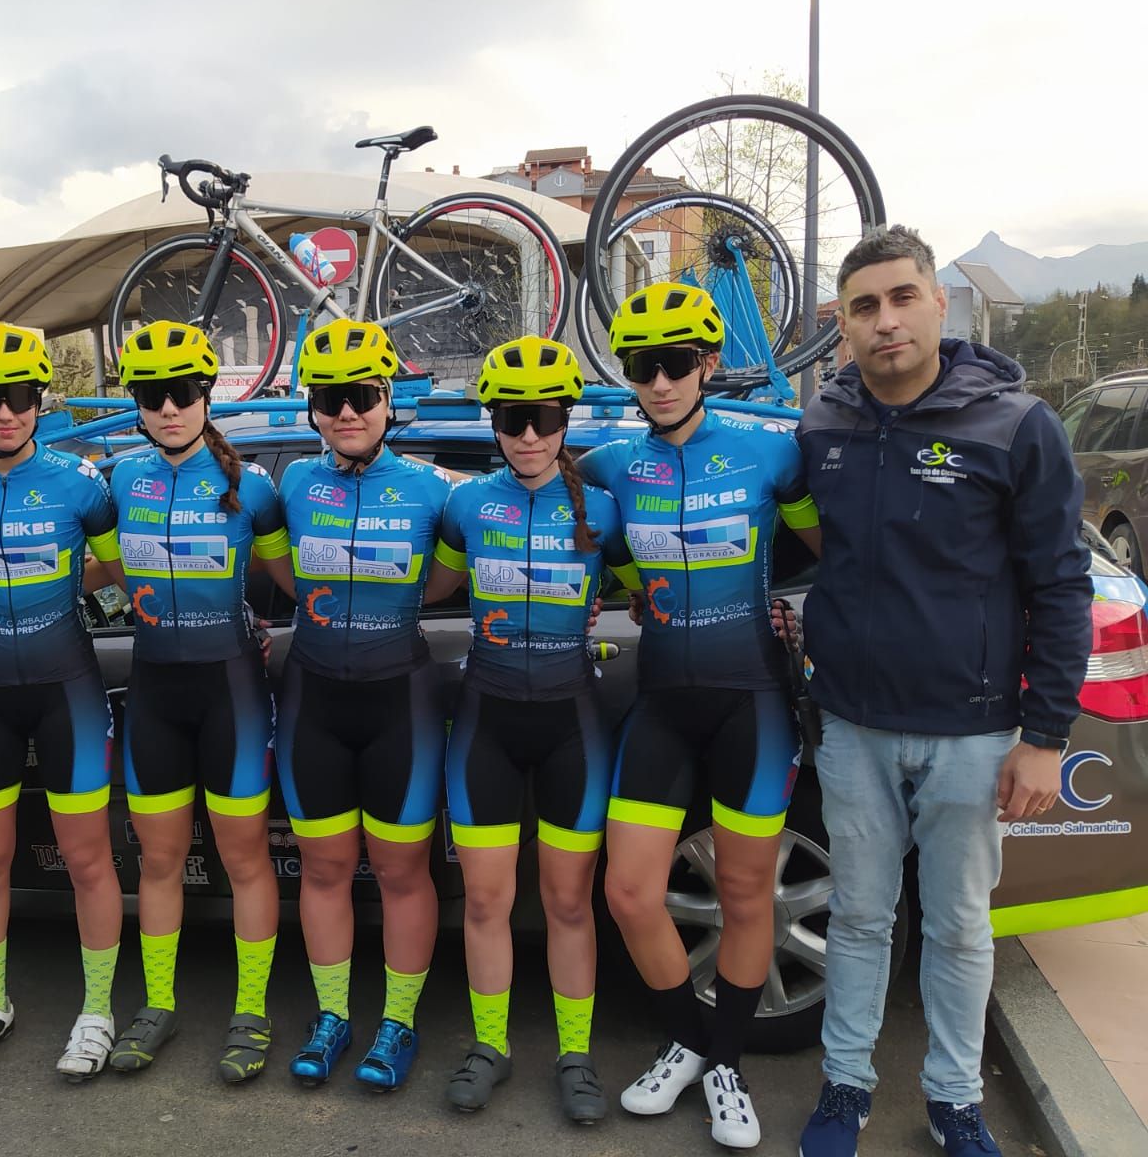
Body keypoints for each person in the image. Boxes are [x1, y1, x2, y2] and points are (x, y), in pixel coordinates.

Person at [792, 227, 1091, 1157]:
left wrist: (1044, 735)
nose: (886, 322)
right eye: (864, 307)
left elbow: (1061, 584)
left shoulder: (1014, 424)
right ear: (842, 325)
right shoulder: (823, 425)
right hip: (853, 725)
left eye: (901, 298)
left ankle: (955, 1100)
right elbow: (801, 549)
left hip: (972, 733)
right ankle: (845, 1087)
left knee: (960, 926)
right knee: (859, 917)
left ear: (937, 303)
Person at [579, 283, 822, 1149]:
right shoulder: (611, 463)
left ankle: (726, 1063)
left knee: (747, 891)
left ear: (709, 363)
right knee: (629, 892)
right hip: (662, 702)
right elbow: (547, 506)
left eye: (677, 362)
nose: (660, 381)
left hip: (751, 700)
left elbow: (828, 547)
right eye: (642, 366)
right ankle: (689, 1039)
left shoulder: (771, 453)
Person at [423, 337, 627, 1123]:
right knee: (485, 901)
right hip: (487, 722)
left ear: (565, 418)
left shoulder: (602, 509)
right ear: (495, 421)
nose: (529, 433)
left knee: (570, 903)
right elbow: (429, 584)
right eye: (513, 417)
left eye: (544, 416)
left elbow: (651, 588)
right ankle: (490, 1044)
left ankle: (576, 1055)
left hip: (574, 722)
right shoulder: (468, 504)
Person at [0, 323, 127, 1080]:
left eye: (19, 398)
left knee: (86, 859)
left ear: (39, 401)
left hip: (64, 688)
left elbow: (113, 571)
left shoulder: (80, 483)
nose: (5, 412)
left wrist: (43, 588)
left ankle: (97, 1010)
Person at [102, 321, 290, 1082]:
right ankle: (158, 1004)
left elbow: (296, 582)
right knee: (160, 861)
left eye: (185, 393)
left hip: (231, 692)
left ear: (209, 395)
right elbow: (101, 569)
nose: (170, 407)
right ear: (138, 403)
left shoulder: (253, 487)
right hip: (155, 690)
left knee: (246, 860)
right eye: (153, 395)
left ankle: (251, 1011)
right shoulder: (115, 479)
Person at [274, 319, 452, 1091]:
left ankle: (399, 1023)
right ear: (312, 407)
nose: (346, 412)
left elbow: (449, 583)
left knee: (403, 872)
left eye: (362, 396)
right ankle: (334, 1016)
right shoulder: (288, 486)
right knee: (323, 868)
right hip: (315, 697)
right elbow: (275, 571)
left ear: (388, 401)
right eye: (329, 398)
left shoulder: (433, 490)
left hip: (397, 704)